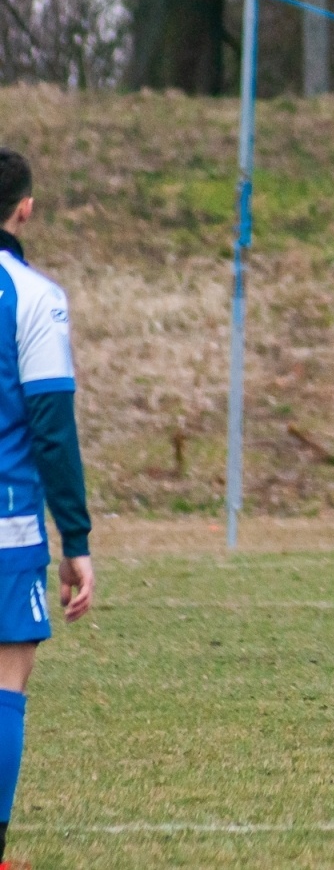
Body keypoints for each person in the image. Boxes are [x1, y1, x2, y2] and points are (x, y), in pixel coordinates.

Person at [0, 149, 95, 870]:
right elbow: (52, 425)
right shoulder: (33, 296)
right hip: (8, 523)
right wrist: (78, 539)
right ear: (24, 208)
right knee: (7, 678)